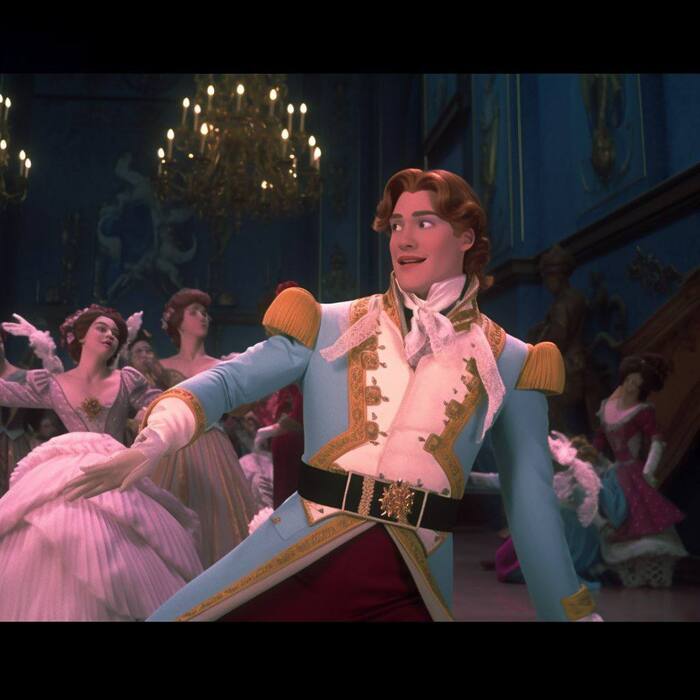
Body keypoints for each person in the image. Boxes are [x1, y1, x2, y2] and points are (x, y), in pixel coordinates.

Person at [65, 169, 600, 622]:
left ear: (466, 238)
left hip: (411, 582)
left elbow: (531, 506)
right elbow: (230, 381)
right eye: (396, 225)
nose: (404, 239)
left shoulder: (514, 361)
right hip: (297, 561)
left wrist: (571, 615)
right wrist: (157, 438)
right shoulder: (329, 322)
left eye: (424, 223)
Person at [0, 305, 202, 621]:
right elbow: (6, 389)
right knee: (51, 535)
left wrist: (157, 418)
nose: (110, 335)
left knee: (123, 551)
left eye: (115, 333)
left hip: (116, 468)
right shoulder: (52, 383)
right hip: (66, 468)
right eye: (102, 328)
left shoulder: (128, 380)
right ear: (81, 335)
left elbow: (162, 405)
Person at [145, 289, 257, 568]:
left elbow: (241, 409)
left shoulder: (221, 366)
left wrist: (245, 378)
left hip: (213, 448)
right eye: (194, 312)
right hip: (171, 448)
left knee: (217, 518)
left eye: (205, 313)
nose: (203, 317)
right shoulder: (159, 368)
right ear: (178, 321)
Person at [590, 353, 687, 587]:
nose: (631, 386)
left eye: (637, 384)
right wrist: (590, 461)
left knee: (638, 517)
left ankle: (643, 569)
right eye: (629, 380)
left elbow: (657, 440)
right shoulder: (607, 407)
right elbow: (600, 441)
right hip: (613, 470)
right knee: (597, 501)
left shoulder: (642, 411)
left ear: (643, 388)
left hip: (633, 472)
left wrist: (648, 471)